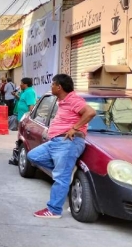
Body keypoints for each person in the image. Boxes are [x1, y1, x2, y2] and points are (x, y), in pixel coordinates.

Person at [27, 74, 96, 219]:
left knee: (60, 178)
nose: (51, 86)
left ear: (59, 87)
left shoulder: (73, 99)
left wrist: (75, 128)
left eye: (52, 84)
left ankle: (54, 210)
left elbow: (90, 112)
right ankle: (66, 172)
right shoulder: (62, 101)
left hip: (67, 143)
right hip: (55, 142)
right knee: (33, 156)